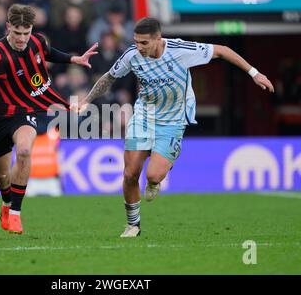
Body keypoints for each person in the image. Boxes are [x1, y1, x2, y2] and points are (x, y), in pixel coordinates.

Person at [72, 17, 274, 238]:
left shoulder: (181, 50)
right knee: (130, 174)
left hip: (174, 118)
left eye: (144, 43)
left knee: (153, 176)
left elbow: (223, 50)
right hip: (144, 115)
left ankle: (158, 175)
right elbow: (109, 78)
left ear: (158, 39)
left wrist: (255, 74)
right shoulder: (132, 55)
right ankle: (133, 226)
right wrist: (87, 101)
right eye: (136, 42)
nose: (139, 47)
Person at [0, 4, 98, 234]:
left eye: (26, 33)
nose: (23, 39)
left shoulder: (37, 41)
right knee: (2, 174)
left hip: (25, 111)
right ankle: (6, 203)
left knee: (24, 151)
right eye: (17, 33)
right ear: (8, 28)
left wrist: (74, 59)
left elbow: (49, 53)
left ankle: (15, 213)